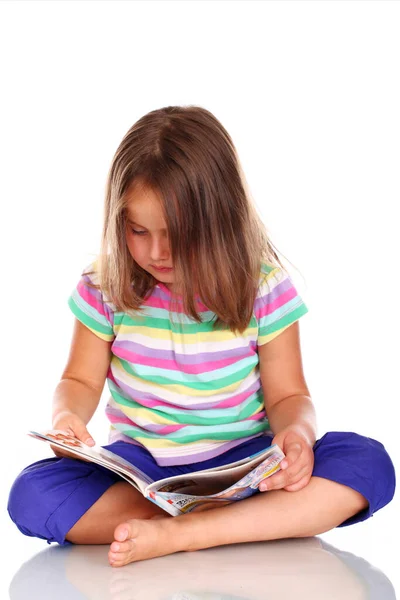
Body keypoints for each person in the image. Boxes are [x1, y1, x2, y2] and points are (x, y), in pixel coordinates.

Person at [8, 105, 396, 568]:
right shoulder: (104, 286)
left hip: (247, 467)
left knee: (368, 463)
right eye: (137, 231)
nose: (156, 252)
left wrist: (296, 433)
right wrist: (67, 416)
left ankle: (189, 531)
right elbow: (80, 381)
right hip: (143, 473)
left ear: (219, 220)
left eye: (175, 234)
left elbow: (289, 394)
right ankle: (240, 523)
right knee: (30, 493)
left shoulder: (263, 287)